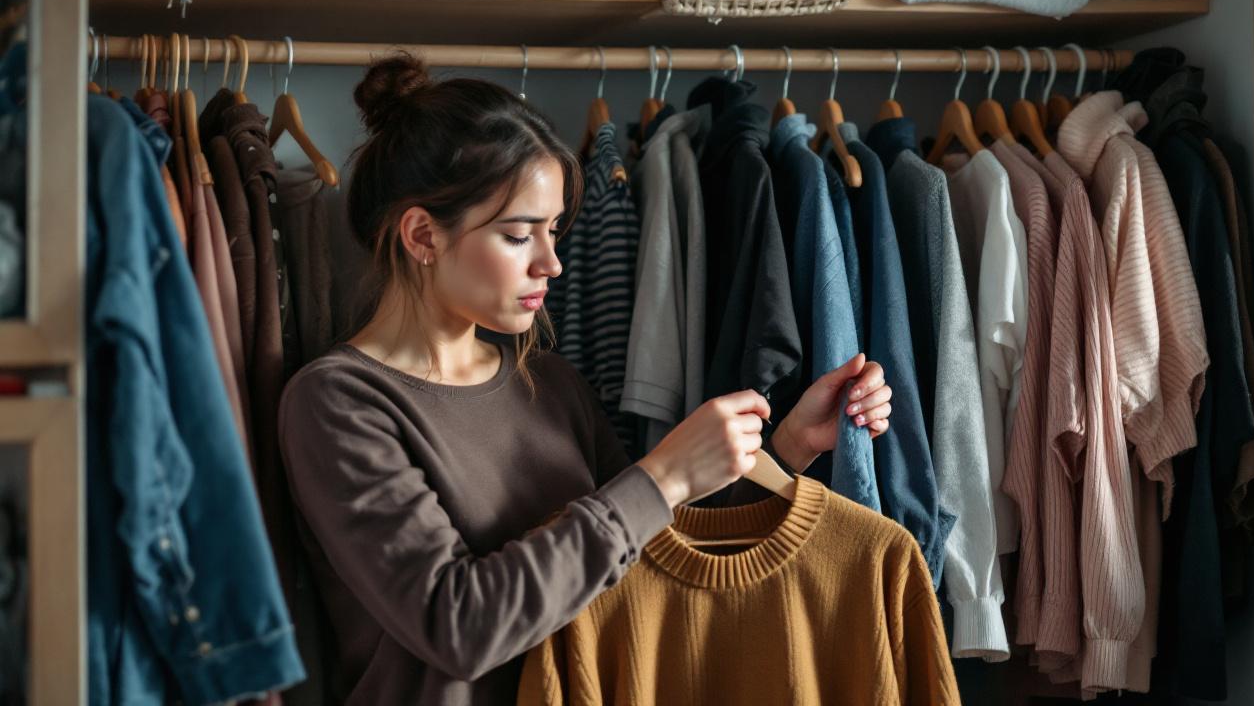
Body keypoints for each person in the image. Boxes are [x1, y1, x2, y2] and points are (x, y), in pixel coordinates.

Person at [277, 54, 896, 706]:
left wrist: (787, 449)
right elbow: (459, 626)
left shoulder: (548, 382)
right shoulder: (338, 404)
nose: (552, 263)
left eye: (552, 231)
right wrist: (662, 475)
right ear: (423, 234)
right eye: (520, 235)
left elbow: (640, 557)